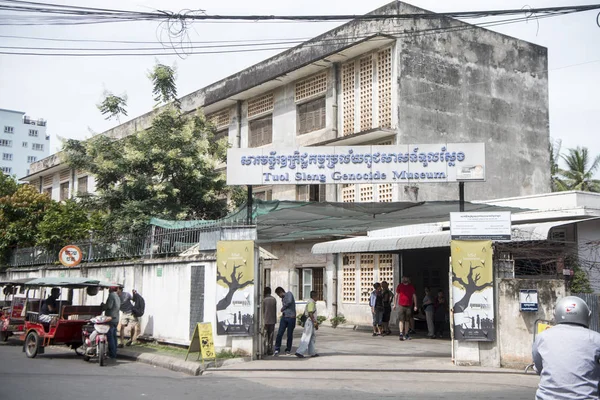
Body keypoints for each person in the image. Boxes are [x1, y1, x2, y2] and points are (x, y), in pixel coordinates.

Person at [532, 296, 600, 399]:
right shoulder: (596, 338)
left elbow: (539, 367)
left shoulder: (542, 337)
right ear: (588, 315)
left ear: (556, 315)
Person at [295, 290, 319, 358]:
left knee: (312, 337)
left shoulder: (311, 302)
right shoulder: (311, 302)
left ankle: (312, 352)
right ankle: (299, 352)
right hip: (309, 322)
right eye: (317, 296)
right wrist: (315, 322)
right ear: (314, 296)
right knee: (306, 336)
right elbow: (310, 313)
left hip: (310, 321)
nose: (318, 297)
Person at [274, 286, 296, 356]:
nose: (279, 296)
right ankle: (277, 348)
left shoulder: (289, 294)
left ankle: (288, 349)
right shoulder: (282, 298)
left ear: (280, 292)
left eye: (278, 295)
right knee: (280, 333)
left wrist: (283, 308)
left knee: (289, 335)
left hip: (291, 317)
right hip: (284, 317)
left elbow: (289, 301)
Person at [394, 276, 417, 341]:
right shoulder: (400, 286)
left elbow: (414, 296)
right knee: (401, 320)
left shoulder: (411, 287)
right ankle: (401, 333)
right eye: (403, 278)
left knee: (407, 320)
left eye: (406, 278)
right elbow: (396, 295)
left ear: (408, 279)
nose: (404, 279)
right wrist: (395, 304)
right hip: (401, 305)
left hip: (409, 305)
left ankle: (406, 334)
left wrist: (415, 305)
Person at [102, 285, 121, 361]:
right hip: (116, 319)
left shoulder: (111, 295)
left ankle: (112, 354)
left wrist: (103, 306)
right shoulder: (117, 296)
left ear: (110, 289)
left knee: (110, 337)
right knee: (114, 336)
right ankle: (114, 353)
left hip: (110, 318)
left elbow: (109, 306)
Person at [262, 286, 277, 355]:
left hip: (265, 320)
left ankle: (263, 349)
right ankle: (270, 349)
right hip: (272, 320)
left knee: (264, 335)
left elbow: (262, 311)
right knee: (271, 336)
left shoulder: (264, 300)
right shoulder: (274, 299)